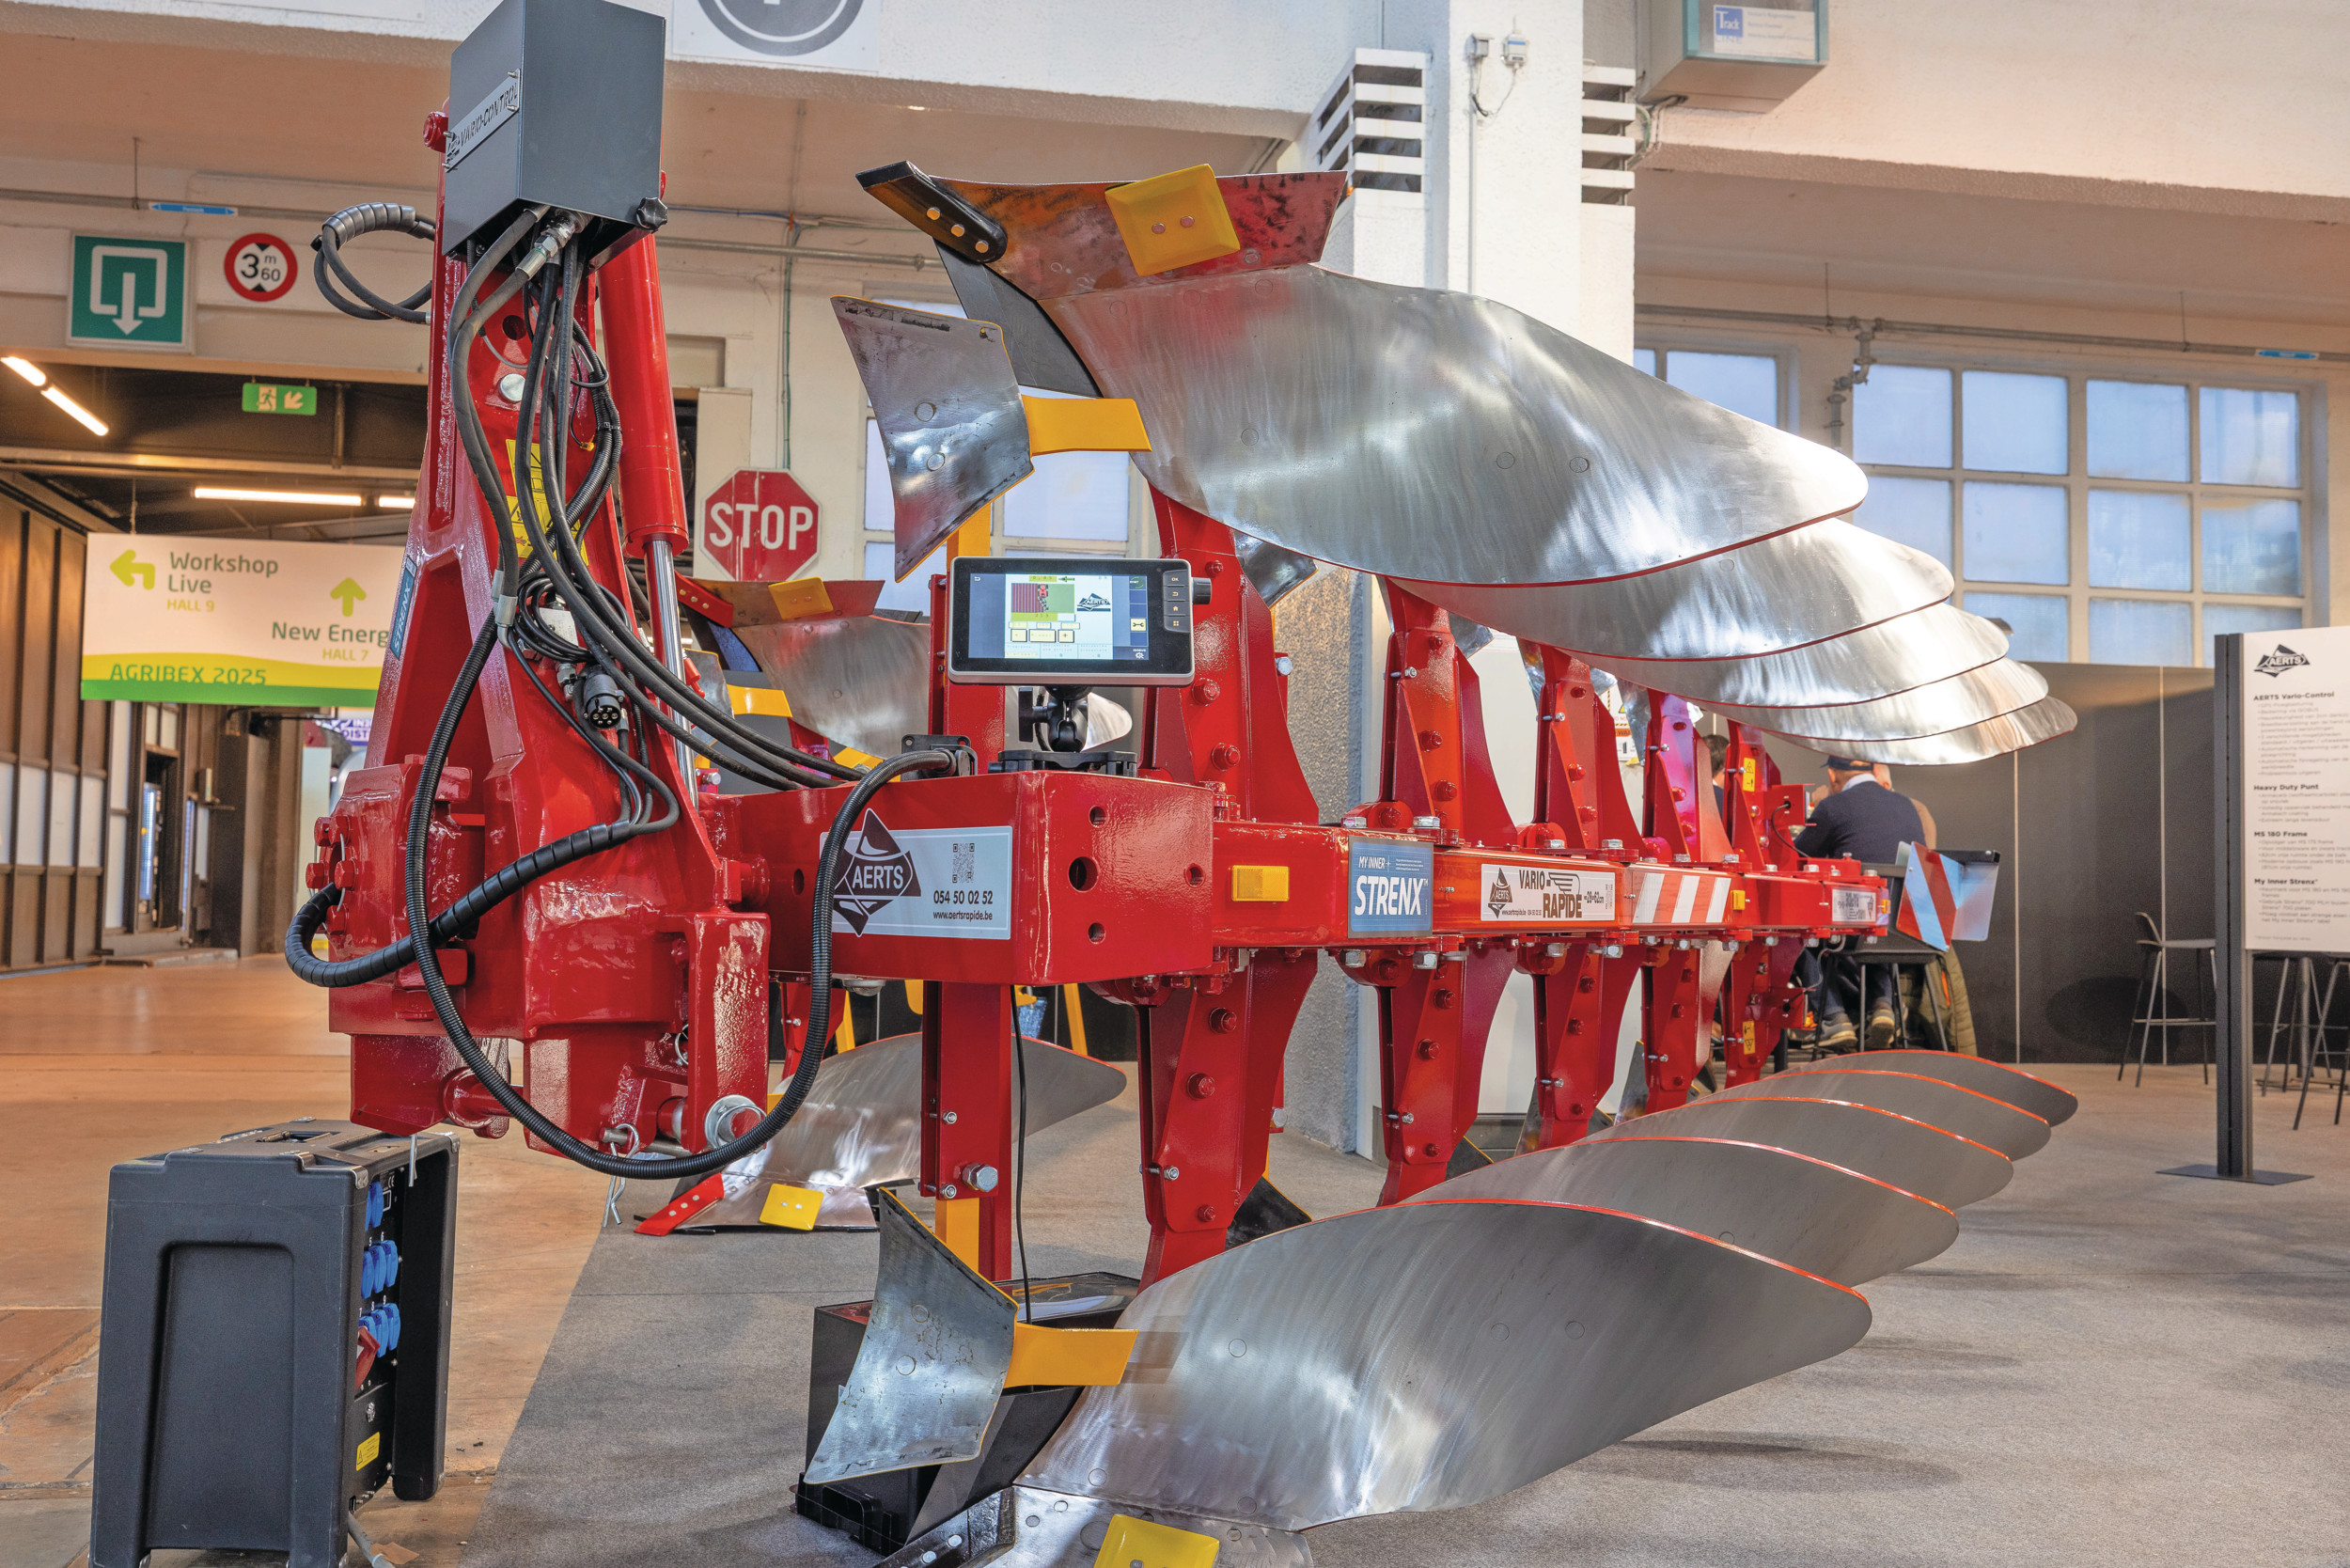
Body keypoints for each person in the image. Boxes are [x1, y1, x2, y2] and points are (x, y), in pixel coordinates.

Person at [1794, 755, 1927, 1050]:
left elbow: (1796, 856)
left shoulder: (1833, 806)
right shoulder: (1907, 804)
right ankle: (1882, 1006)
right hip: (1910, 930)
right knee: (1880, 919)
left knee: (1796, 934)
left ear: (1832, 776)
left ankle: (1833, 1017)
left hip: (1859, 929)